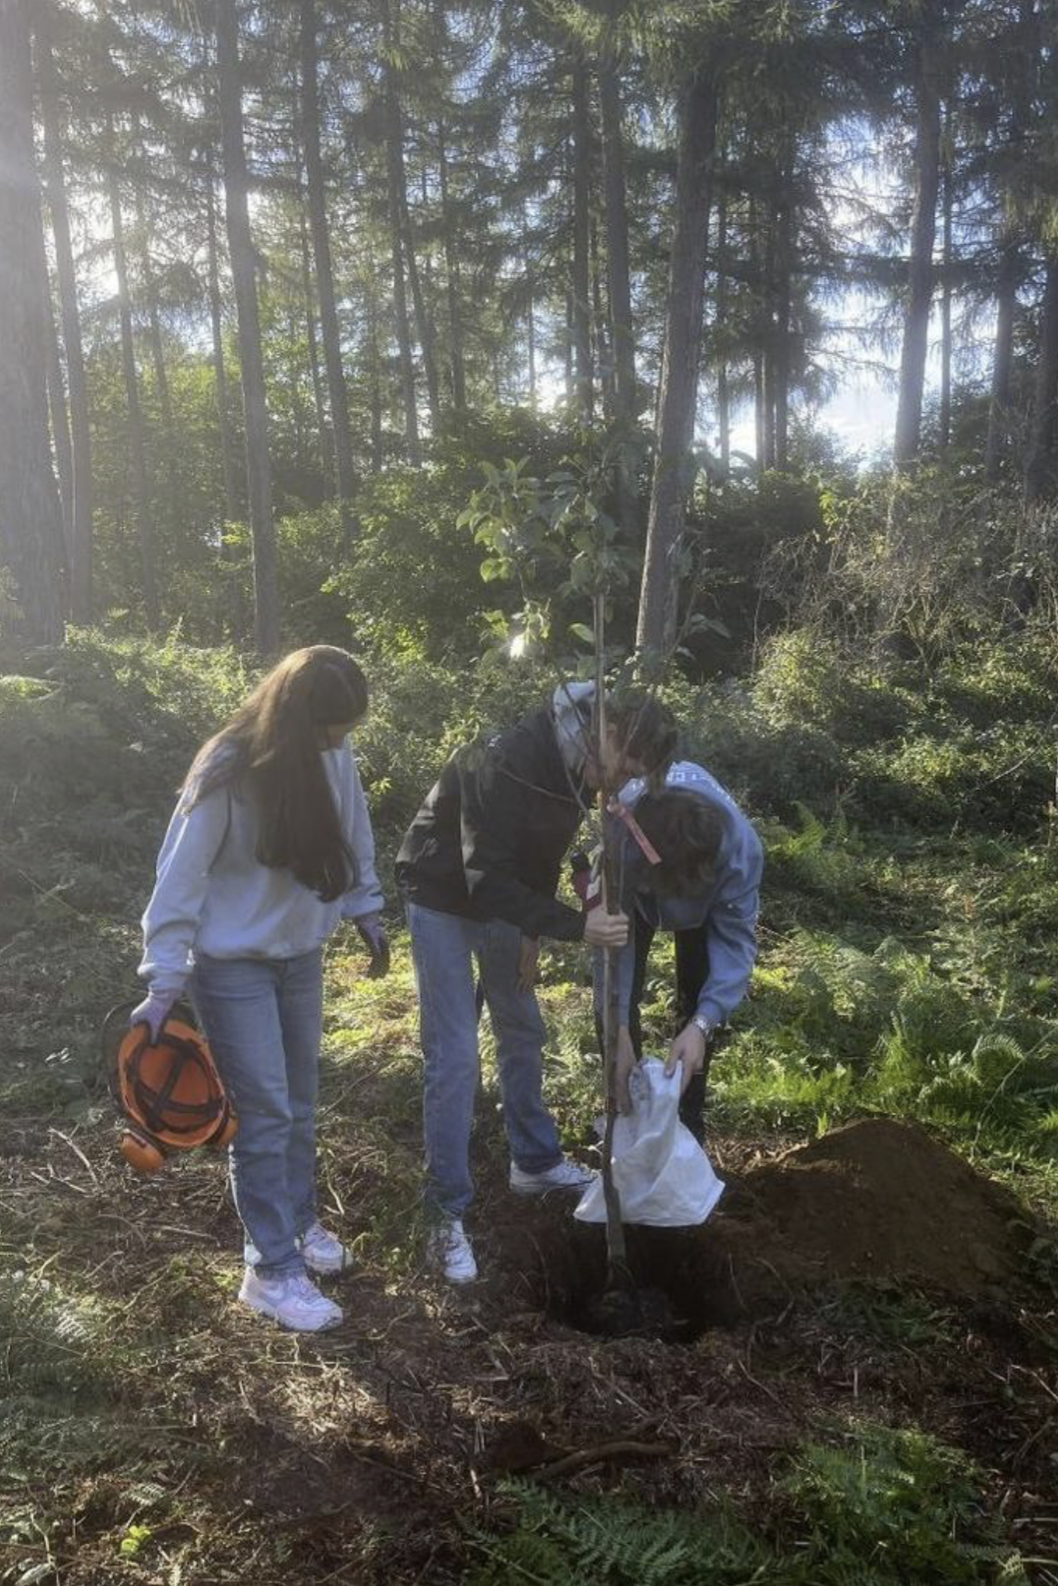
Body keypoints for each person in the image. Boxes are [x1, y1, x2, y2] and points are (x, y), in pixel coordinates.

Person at [131, 646, 388, 1333]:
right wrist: (163, 980)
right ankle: (269, 1270)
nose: (341, 741)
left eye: (346, 730)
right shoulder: (228, 769)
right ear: (297, 720)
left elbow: (353, 832)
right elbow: (179, 876)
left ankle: (299, 1225)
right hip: (233, 963)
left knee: (299, 1103)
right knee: (265, 1113)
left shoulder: (333, 752)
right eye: (332, 729)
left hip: (300, 954)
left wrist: (365, 908)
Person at [395, 681, 678, 1284]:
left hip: (504, 900)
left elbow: (540, 855)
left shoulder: (577, 766)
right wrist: (577, 926)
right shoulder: (506, 759)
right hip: (443, 893)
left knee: (521, 1024)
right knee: (455, 1057)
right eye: (625, 765)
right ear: (606, 732)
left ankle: (535, 1161)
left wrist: (532, 930)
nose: (619, 782)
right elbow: (485, 877)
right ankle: (444, 1214)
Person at [595, 761, 763, 1142]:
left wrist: (703, 1023)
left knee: (698, 996)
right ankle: (625, 1113)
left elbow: (734, 944)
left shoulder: (740, 853)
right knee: (618, 1003)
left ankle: (687, 1123)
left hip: (707, 906)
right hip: (634, 897)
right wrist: (615, 1028)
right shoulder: (622, 833)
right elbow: (608, 948)